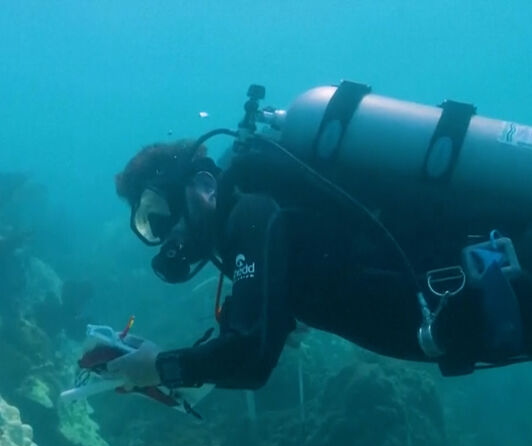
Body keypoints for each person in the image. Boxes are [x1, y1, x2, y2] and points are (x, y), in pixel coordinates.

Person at [106, 82, 532, 391]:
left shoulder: (250, 213)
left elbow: (250, 357)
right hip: (498, 294)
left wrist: (160, 367)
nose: (164, 236)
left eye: (157, 214)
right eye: (147, 227)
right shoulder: (262, 216)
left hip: (504, 284)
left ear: (202, 184)